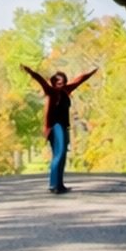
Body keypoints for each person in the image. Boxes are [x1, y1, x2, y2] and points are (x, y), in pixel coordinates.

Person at [22, 64, 97, 194]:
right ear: (53, 82)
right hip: (54, 126)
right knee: (59, 153)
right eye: (58, 81)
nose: (60, 83)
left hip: (63, 126)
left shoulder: (66, 90)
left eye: (62, 81)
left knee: (61, 156)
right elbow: (40, 79)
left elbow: (79, 80)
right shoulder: (50, 91)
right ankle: (54, 185)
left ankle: (59, 184)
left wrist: (91, 72)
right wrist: (30, 72)